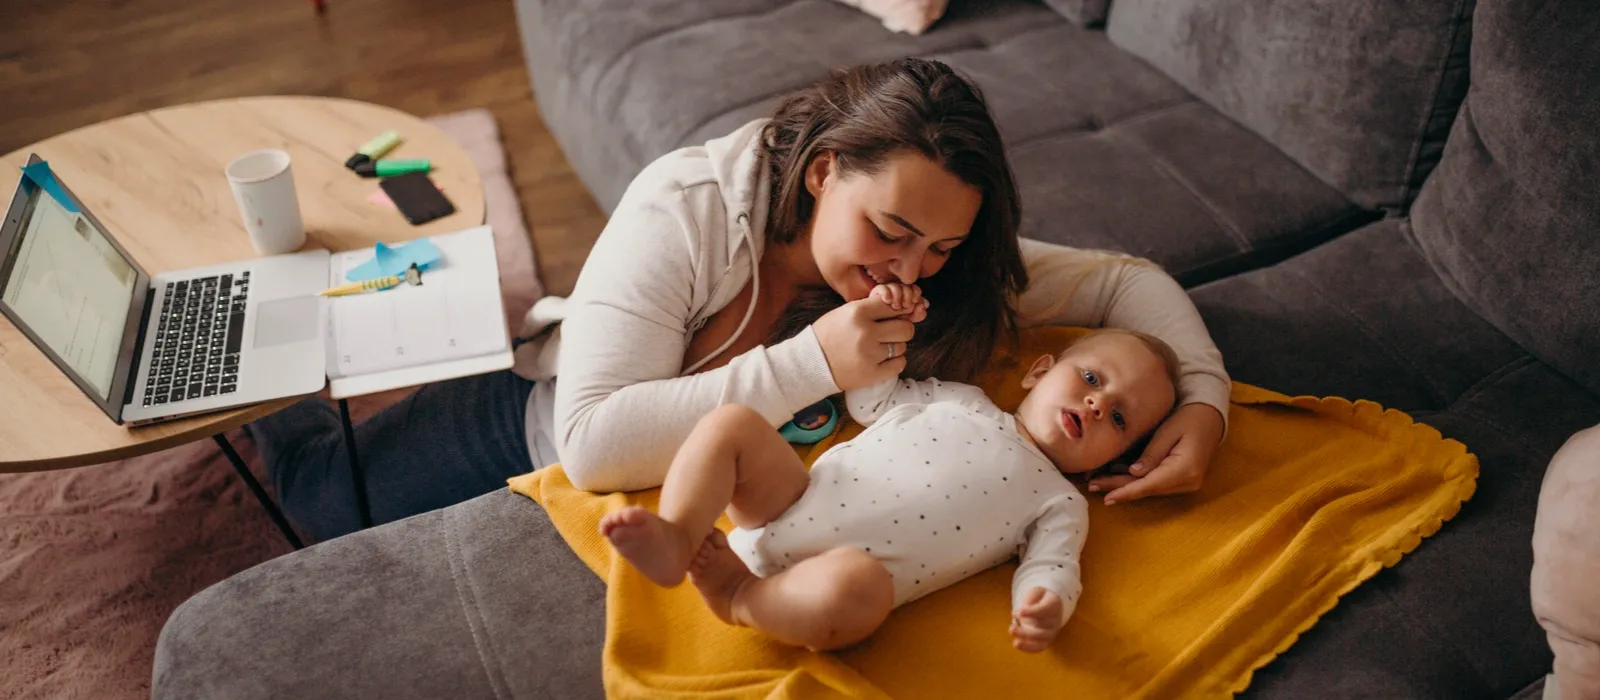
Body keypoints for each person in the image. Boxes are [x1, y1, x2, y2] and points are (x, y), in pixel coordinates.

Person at [249, 57, 1230, 542]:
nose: (915, 269)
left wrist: (1200, 404)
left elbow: (1122, 280)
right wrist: (817, 362)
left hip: (700, 501)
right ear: (823, 172)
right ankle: (263, 337)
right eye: (891, 233)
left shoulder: (942, 262)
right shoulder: (687, 207)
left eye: (942, 246)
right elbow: (592, 443)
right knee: (316, 495)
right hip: (536, 424)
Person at [599, 284, 1181, 652]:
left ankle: (737, 595)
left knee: (863, 590)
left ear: (1116, 459)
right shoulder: (961, 398)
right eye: (1091, 379)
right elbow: (872, 402)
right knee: (731, 424)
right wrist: (885, 318)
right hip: (787, 497)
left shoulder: (1060, 502)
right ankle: (678, 532)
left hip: (827, 579)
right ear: (1037, 371)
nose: (1097, 405)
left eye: (1120, 419)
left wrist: (1046, 604)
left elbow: (1053, 564)